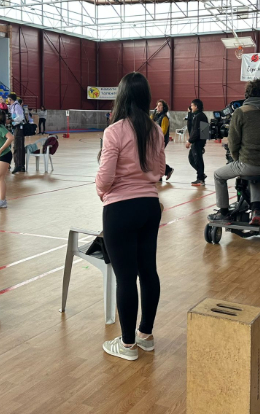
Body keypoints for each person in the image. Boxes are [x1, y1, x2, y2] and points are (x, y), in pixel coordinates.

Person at [95, 72, 166, 361]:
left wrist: (101, 191)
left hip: (120, 209)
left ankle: (127, 345)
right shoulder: (155, 130)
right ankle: (145, 336)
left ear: (121, 97)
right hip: (149, 206)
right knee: (148, 271)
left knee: (125, 277)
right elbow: (159, 171)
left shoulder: (114, 131)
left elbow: (105, 177)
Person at [208, 79, 260, 225]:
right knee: (255, 176)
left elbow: (233, 142)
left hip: (249, 163)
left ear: (247, 94)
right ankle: (256, 210)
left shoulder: (241, 112)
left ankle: (223, 212)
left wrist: (237, 159)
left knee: (218, 175)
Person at [185, 98, 208, 186]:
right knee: (191, 158)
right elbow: (191, 127)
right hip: (199, 141)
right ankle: (201, 174)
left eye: (192, 105)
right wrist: (189, 114)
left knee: (198, 159)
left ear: (196, 106)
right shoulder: (200, 115)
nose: (191, 107)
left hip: (197, 141)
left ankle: (200, 178)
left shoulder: (199, 116)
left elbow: (196, 131)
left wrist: (190, 141)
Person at [152, 99, 174, 180]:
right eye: (157, 105)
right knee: (155, 158)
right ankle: (166, 171)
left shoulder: (164, 118)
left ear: (164, 107)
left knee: (156, 157)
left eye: (159, 105)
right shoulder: (156, 116)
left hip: (161, 140)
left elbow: (163, 131)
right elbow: (150, 121)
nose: (157, 107)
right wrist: (154, 113)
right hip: (155, 140)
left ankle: (165, 171)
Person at [6, 92, 26, 174]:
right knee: (19, 146)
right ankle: (21, 165)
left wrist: (11, 120)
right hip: (16, 127)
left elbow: (20, 117)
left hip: (18, 127)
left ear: (10, 99)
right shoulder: (13, 106)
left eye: (8, 99)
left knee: (17, 147)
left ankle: (18, 165)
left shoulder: (16, 106)